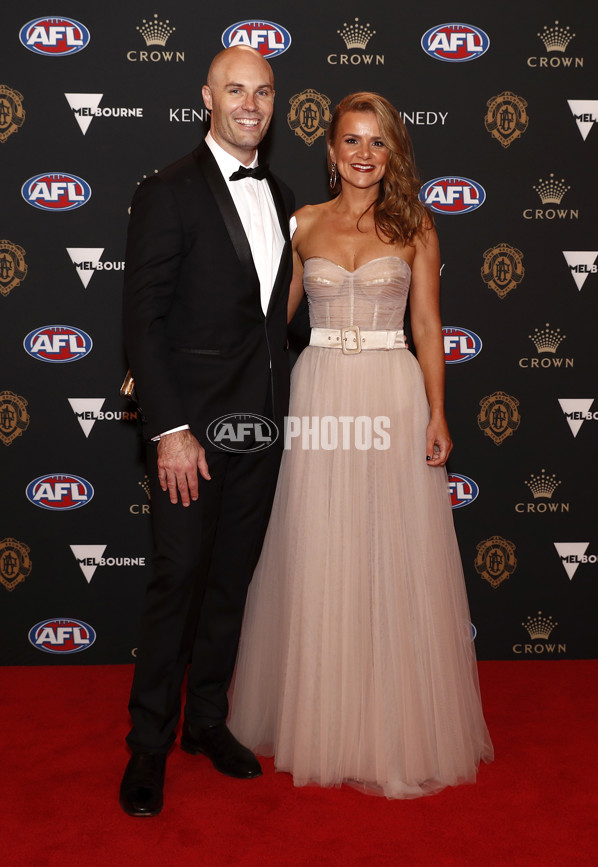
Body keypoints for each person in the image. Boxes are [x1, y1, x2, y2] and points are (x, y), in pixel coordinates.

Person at [229, 92, 493, 798]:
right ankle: (322, 712)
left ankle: (389, 719)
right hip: (318, 397)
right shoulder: (303, 224)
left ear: (394, 153)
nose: (364, 154)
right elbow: (266, 325)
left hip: (390, 394)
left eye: (378, 142)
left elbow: (430, 328)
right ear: (332, 149)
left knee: (392, 552)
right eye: (352, 140)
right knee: (323, 549)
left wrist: (438, 413)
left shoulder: (416, 227)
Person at [119, 45, 294, 817]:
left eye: (262, 91)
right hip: (190, 435)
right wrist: (172, 431)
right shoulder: (168, 191)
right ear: (208, 96)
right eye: (235, 90)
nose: (250, 104)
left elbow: (275, 324)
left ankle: (208, 722)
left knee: (230, 584)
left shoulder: (285, 195)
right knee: (177, 582)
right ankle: (148, 746)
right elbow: (142, 323)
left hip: (260, 428)